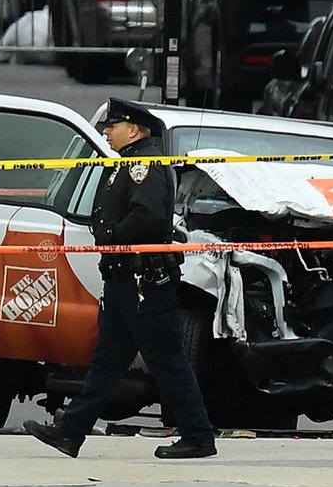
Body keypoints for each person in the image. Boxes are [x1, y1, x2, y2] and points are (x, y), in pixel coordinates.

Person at [24, 98, 217, 460]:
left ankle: (198, 436)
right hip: (123, 283)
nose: (107, 133)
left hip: (144, 283)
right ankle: (71, 432)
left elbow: (146, 216)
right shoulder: (127, 163)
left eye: (113, 127)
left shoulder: (144, 165)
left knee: (168, 360)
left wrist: (111, 235)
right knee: (107, 362)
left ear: (134, 129)